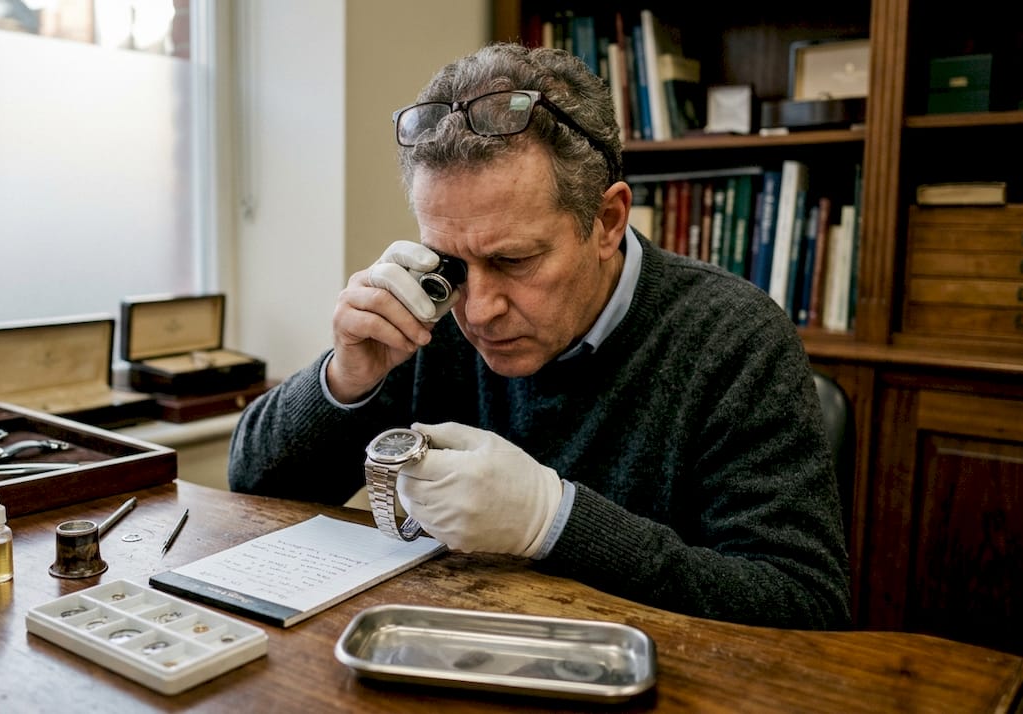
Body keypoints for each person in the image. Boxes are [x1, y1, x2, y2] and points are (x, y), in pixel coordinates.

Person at [229, 43, 851, 630]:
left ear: (607, 221)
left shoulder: (735, 338)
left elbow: (802, 605)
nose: (480, 310)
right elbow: (254, 488)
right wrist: (346, 379)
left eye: (515, 261)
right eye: (453, 263)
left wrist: (554, 520)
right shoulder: (430, 316)